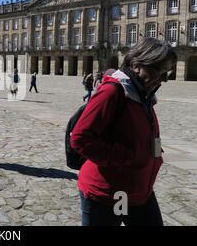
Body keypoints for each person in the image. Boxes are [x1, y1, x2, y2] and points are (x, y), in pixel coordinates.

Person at [71, 38, 177, 226]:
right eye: (157, 71)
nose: (161, 80)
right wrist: (125, 156)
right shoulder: (113, 92)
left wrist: (155, 154)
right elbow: (80, 138)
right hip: (109, 193)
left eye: (165, 74)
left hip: (139, 190)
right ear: (136, 65)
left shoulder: (142, 93)